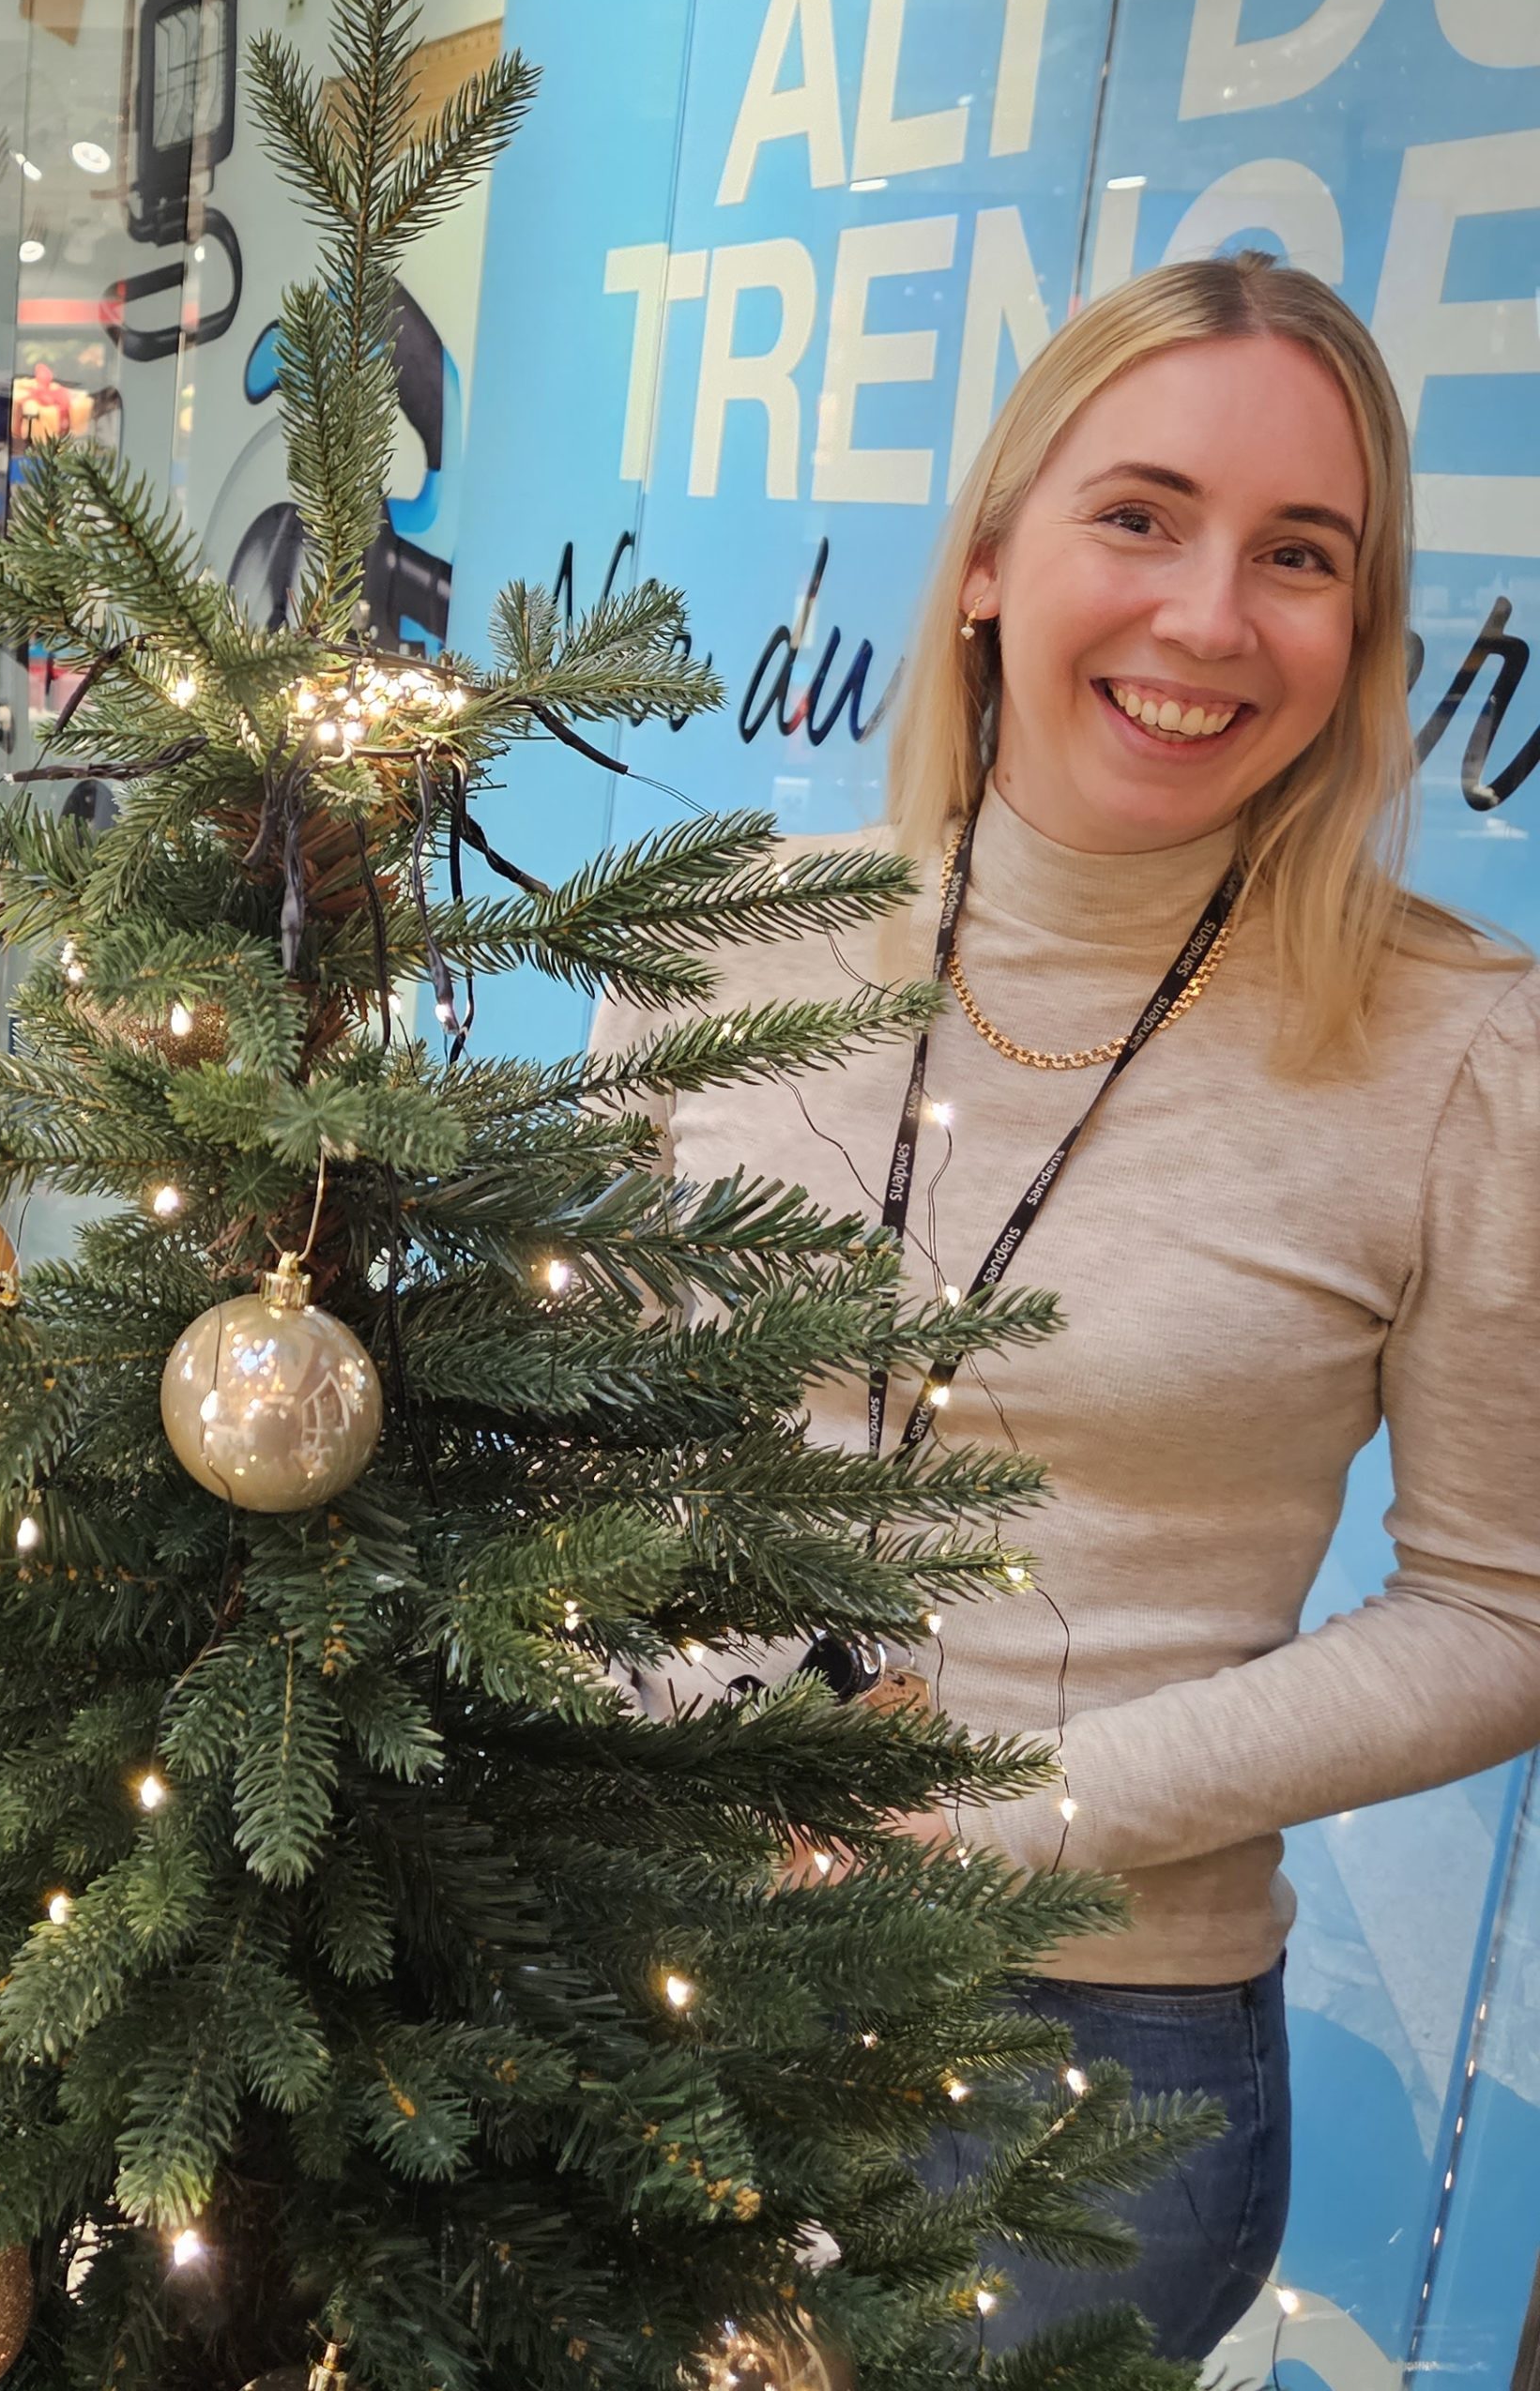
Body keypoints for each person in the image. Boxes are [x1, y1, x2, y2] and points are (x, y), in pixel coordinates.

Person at [599, 253, 1540, 2357]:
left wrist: (1008, 1821)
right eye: (1141, 515)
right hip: (635, 1955)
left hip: (1085, 2062)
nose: (1211, 618)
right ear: (991, 563)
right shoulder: (729, 953)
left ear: (1360, 638)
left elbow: (1507, 1610)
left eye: (1299, 556)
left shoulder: (1461, 1056)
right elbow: (594, 1452)